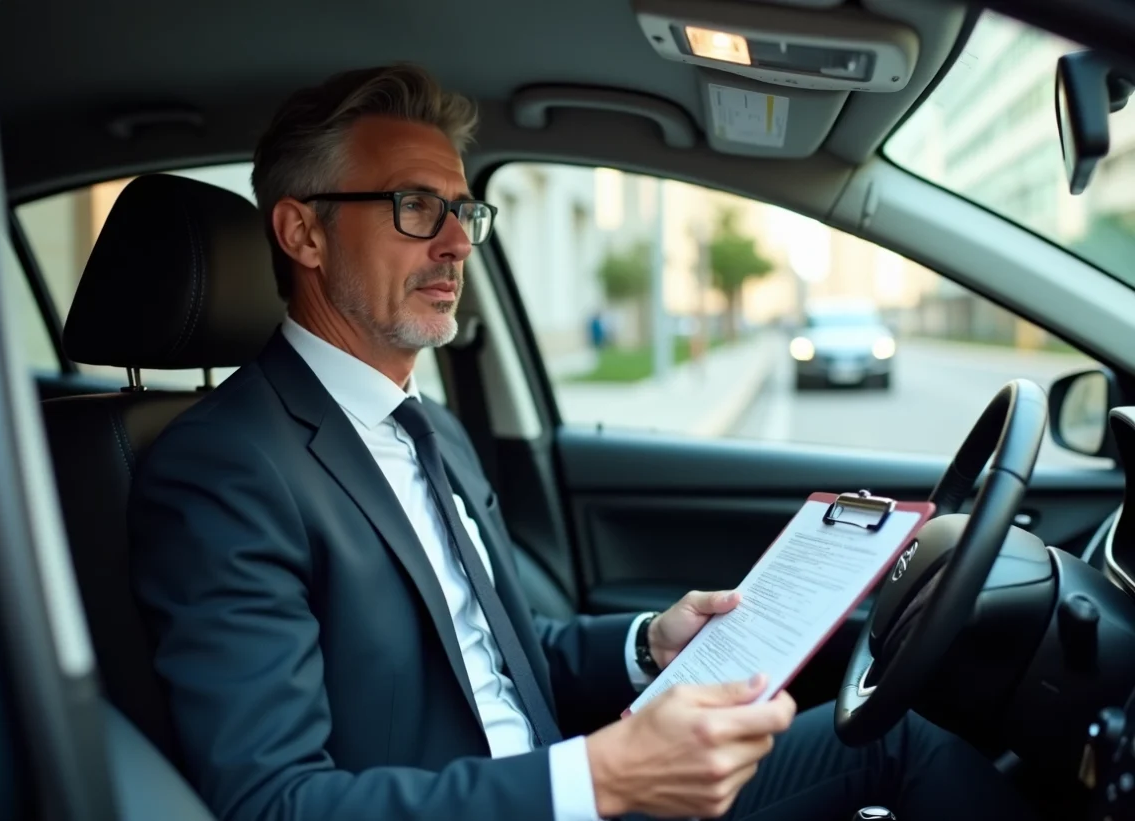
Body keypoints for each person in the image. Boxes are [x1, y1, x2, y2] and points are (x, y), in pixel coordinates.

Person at [128, 63, 1038, 821]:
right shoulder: (225, 467)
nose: (456, 244)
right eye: (414, 206)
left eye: (463, 211)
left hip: (562, 784)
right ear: (303, 233)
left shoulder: (430, 429)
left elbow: (501, 654)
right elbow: (273, 803)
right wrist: (596, 780)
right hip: (538, 797)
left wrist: (650, 643)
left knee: (896, 740)